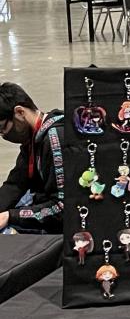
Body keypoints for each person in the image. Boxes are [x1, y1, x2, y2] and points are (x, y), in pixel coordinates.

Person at [0, 84, 65, 235]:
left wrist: (10, 216)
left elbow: (62, 208)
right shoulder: (33, 139)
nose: (3, 135)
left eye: (3, 128)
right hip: (45, 200)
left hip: (63, 221)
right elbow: (15, 184)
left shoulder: (54, 140)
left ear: (20, 112)